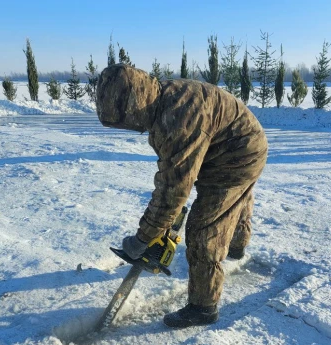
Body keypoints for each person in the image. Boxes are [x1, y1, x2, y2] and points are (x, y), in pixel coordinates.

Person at [96, 64, 268, 328]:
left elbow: (174, 189)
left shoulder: (177, 121)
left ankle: (203, 307)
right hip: (236, 141)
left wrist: (145, 237)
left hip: (238, 155)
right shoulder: (160, 97)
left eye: (126, 121)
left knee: (204, 228)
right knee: (236, 200)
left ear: (134, 105)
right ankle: (237, 245)